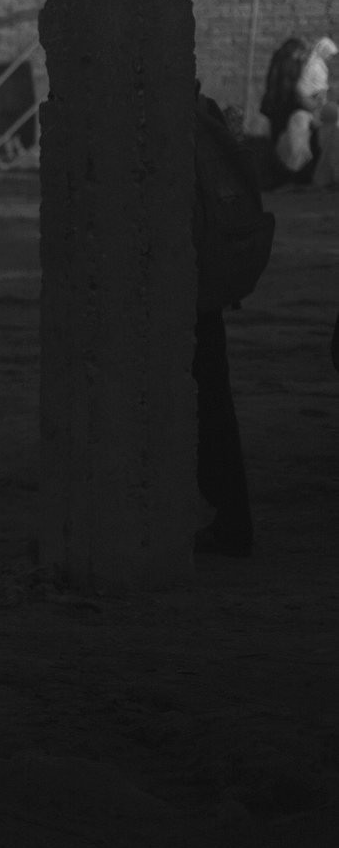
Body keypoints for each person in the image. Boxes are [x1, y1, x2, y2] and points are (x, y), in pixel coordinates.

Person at [194, 90, 277, 556]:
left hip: (181, 284)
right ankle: (228, 516)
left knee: (203, 407)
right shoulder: (202, 115)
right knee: (211, 403)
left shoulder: (164, 121)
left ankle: (227, 520)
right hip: (202, 283)